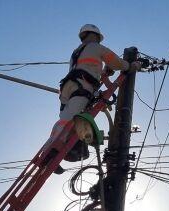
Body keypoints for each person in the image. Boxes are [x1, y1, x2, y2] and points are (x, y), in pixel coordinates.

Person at [52, 24, 141, 174]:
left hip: (69, 86)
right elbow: (117, 63)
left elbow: (89, 66)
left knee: (67, 120)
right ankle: (53, 153)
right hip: (82, 86)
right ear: (94, 36)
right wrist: (131, 66)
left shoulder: (77, 52)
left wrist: (105, 72)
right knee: (68, 121)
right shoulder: (96, 47)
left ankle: (54, 152)